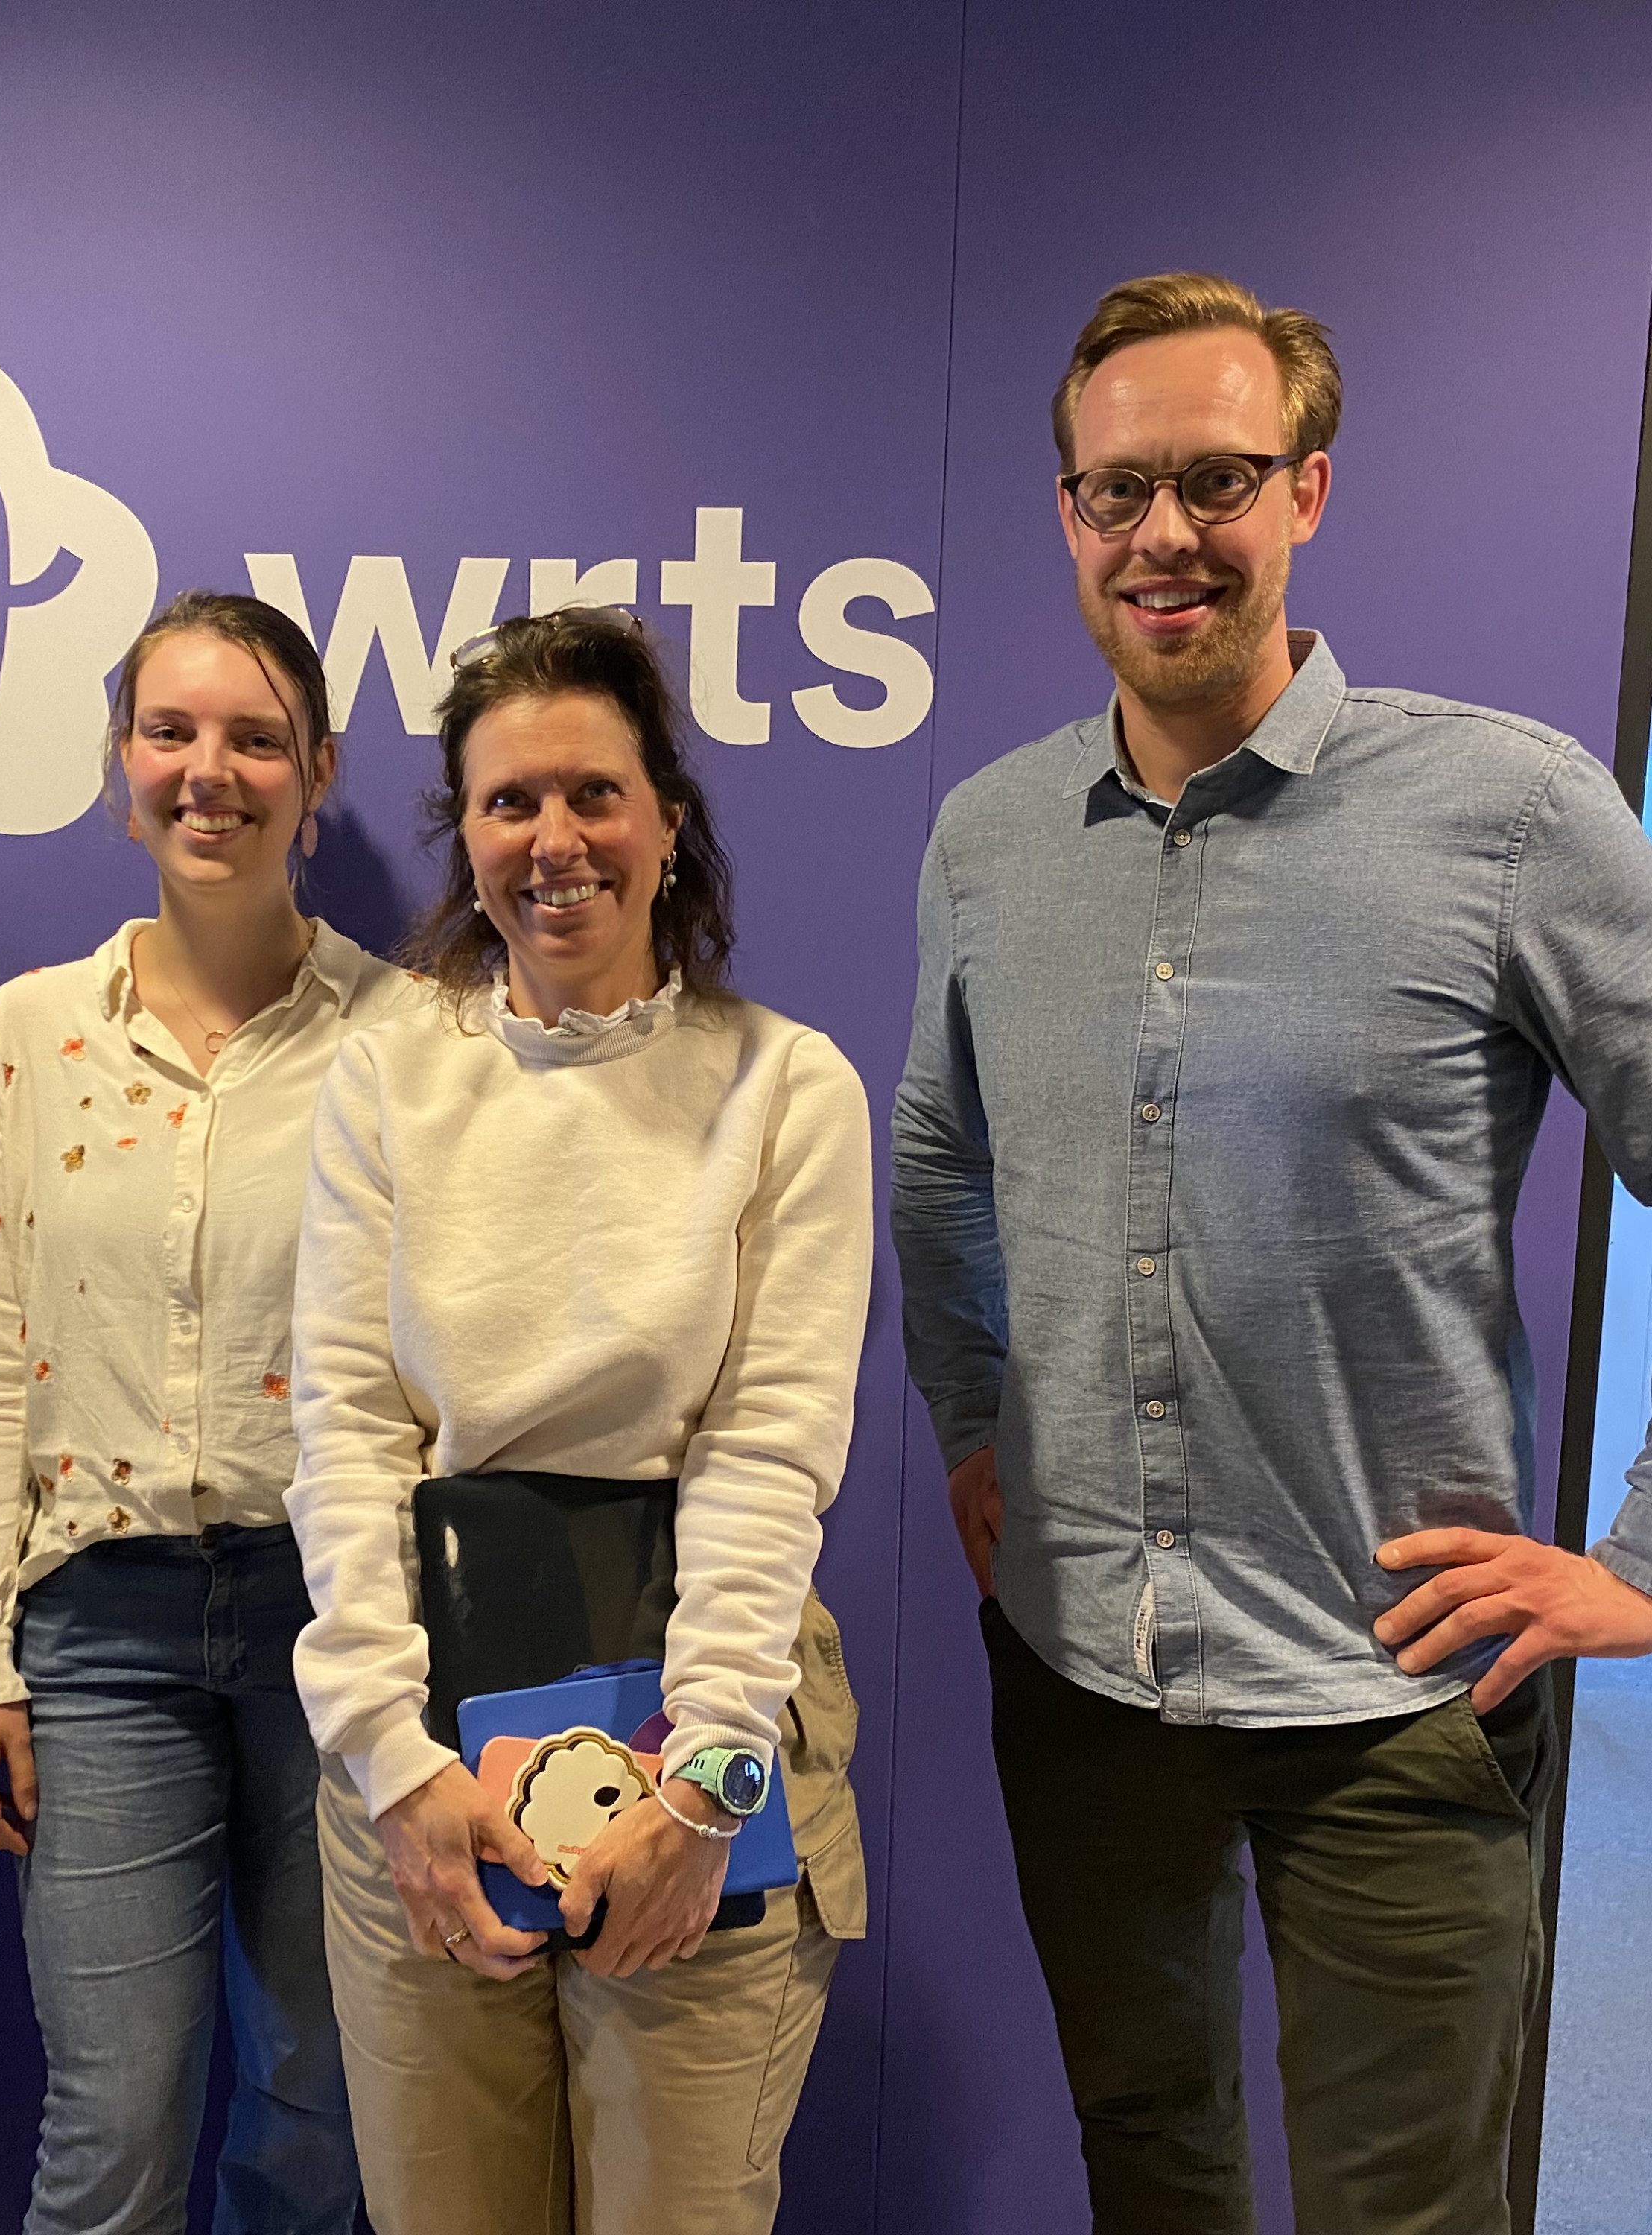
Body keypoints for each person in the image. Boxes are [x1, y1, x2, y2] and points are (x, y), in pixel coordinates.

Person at [890, 270, 1652, 2235]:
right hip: (1083, 1671)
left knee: (1408, 2213)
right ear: (1069, 515)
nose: (1165, 534)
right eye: (1117, 490)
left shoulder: (1515, 811)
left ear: (1306, 489)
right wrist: (977, 1421)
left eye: (1217, 479)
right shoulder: (987, 837)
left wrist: (1642, 1564)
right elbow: (943, 1161)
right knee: (1150, 2166)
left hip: (1399, 1694)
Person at [286, 608, 870, 2235]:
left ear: (667, 822)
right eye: (510, 802)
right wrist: (394, 1764)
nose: (556, 841)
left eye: (595, 795)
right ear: (465, 836)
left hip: (701, 1731)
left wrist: (705, 1790)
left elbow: (769, 1454)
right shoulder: (385, 1077)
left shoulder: (785, 1087)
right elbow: (345, 1428)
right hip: (425, 1757)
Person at [0, 591, 401, 2234]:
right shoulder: (35, 1030)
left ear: (318, 774)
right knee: (115, 2119)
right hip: (98, 1635)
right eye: (172, 731)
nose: (211, 771)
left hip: (336, 1625)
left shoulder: (407, 1038)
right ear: (120, 762)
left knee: (322, 2104)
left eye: (258, 739)